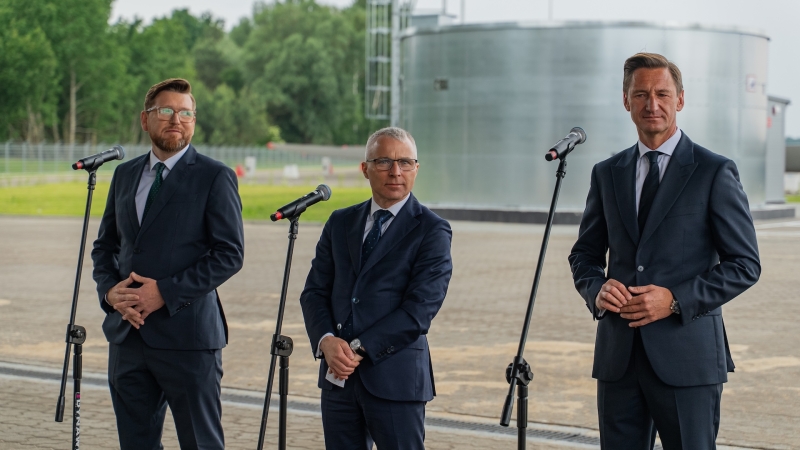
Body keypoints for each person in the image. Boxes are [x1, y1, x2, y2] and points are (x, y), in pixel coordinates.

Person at [568, 53, 761, 449]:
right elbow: (584, 255)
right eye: (640, 94)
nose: (651, 104)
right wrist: (596, 290)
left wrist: (675, 299)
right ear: (626, 101)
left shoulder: (713, 171)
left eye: (661, 94)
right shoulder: (607, 173)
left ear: (680, 99)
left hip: (688, 357)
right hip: (618, 359)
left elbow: (745, 265)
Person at [91, 78, 244, 450]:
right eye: (166, 111)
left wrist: (164, 292)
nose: (177, 119)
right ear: (145, 120)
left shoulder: (214, 176)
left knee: (201, 444)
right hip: (128, 338)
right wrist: (111, 293)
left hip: (188, 340)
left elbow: (229, 254)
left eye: (186, 113)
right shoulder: (124, 175)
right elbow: (105, 246)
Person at [299, 126, 453, 449]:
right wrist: (326, 341)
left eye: (405, 163)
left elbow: (418, 312)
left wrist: (355, 347)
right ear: (365, 169)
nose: (395, 171)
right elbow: (314, 292)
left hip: (394, 379)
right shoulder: (340, 223)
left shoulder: (432, 230)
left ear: (416, 169)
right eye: (384, 162)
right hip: (337, 380)